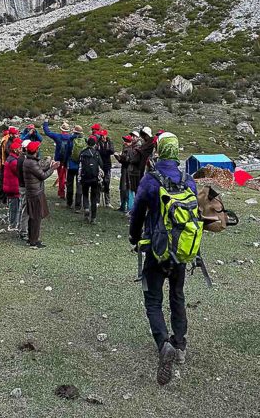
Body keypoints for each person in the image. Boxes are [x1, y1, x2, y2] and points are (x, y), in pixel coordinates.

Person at [129, 132, 196, 385]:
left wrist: (134, 238)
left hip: (156, 251)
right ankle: (180, 346)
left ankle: (163, 342)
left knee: (153, 300)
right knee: (177, 295)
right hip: (181, 251)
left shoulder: (151, 179)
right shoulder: (188, 180)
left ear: (158, 151)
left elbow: (137, 212)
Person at [20, 139, 53, 249]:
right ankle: (34, 240)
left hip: (32, 192)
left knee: (32, 216)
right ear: (35, 151)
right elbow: (42, 175)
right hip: (36, 193)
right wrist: (53, 168)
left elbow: (39, 170)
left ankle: (31, 238)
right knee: (36, 217)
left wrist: (49, 166)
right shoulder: (32, 163)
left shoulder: (28, 161)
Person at [43, 120, 79, 208]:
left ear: (61, 129)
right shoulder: (71, 137)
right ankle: (66, 192)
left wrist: (45, 123)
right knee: (66, 176)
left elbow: (47, 132)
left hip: (59, 159)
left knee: (61, 176)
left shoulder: (57, 136)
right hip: (68, 160)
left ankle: (62, 193)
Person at [77, 136, 102, 224]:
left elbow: (79, 166)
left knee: (85, 194)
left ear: (87, 143)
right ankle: (93, 217)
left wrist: (79, 178)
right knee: (94, 197)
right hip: (94, 178)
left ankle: (86, 209)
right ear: (94, 144)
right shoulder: (97, 153)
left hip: (84, 177)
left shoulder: (83, 153)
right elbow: (101, 165)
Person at [2, 137, 23, 232]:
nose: (21, 150)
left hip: (10, 186)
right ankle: (13, 224)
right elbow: (19, 173)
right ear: (15, 149)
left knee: (13, 206)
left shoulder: (10, 159)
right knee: (14, 207)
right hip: (13, 187)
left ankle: (13, 223)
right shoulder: (14, 161)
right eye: (19, 148)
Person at [94, 127, 115, 207]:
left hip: (107, 165)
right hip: (99, 165)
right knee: (98, 183)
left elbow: (112, 151)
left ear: (106, 135)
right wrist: (105, 151)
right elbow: (96, 152)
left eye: (104, 135)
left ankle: (107, 202)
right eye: (101, 135)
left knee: (107, 183)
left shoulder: (109, 142)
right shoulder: (98, 143)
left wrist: (103, 151)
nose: (102, 137)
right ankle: (97, 201)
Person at [0, 126, 17, 203]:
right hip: (6, 163)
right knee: (6, 181)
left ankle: (2, 197)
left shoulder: (5, 139)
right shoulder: (7, 141)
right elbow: (7, 152)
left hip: (4, 162)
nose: (17, 135)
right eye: (16, 134)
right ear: (11, 134)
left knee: (4, 180)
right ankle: (4, 198)